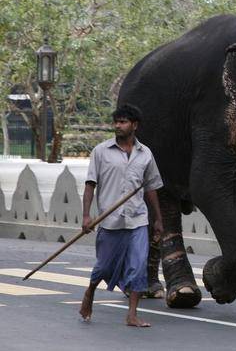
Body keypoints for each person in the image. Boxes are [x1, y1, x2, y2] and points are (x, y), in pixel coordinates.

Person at [79, 104, 164, 327]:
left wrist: (158, 219)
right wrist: (86, 216)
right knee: (103, 268)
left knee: (138, 266)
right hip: (109, 220)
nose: (118, 125)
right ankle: (90, 292)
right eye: (116, 121)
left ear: (134, 125)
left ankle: (132, 314)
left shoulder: (145, 154)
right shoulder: (101, 151)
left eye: (123, 121)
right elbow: (90, 185)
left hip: (137, 219)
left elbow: (152, 188)